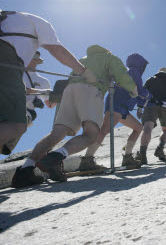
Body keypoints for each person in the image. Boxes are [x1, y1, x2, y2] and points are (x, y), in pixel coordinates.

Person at [11, 45, 138, 188]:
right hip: (91, 90)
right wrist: (133, 89)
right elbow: (121, 75)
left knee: (56, 134)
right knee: (91, 135)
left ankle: (25, 171)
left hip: (69, 91)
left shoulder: (83, 59)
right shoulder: (109, 57)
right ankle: (55, 157)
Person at [1, 11, 89, 187]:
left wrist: (48, 95)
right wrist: (84, 72)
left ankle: (26, 170)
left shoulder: (41, 79)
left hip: (19, 103)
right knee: (17, 126)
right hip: (13, 90)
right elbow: (56, 49)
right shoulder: (38, 24)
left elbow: (49, 104)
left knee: (14, 128)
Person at [81, 53, 150, 171]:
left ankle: (127, 156)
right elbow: (140, 91)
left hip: (122, 106)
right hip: (117, 103)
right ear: (140, 64)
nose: (144, 67)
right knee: (104, 130)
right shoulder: (134, 72)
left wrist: (141, 104)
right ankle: (87, 160)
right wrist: (149, 96)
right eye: (144, 65)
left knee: (138, 127)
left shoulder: (131, 73)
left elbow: (136, 93)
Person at [2, 51, 55, 155]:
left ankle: (5, 146)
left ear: (36, 61)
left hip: (25, 112)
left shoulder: (43, 81)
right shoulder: (15, 72)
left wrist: (59, 96)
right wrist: (38, 91)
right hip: (8, 106)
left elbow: (50, 104)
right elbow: (17, 88)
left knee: (21, 122)